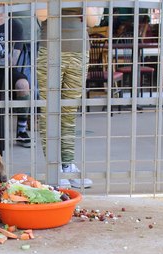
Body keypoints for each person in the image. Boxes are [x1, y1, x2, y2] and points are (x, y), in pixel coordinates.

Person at [36, 6, 102, 189]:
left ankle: (67, 165)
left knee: (69, 110)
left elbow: (93, 20)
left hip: (79, 51)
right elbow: (41, 13)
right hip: (50, 50)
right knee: (49, 110)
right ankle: (53, 167)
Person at [0, 5, 31, 152]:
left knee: (23, 85)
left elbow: (13, 61)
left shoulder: (15, 26)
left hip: (5, 71)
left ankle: (21, 130)